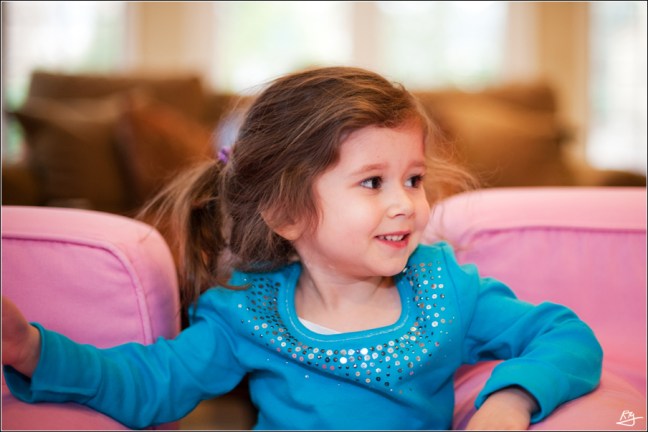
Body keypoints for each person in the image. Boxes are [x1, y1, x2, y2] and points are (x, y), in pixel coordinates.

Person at [2, 66, 602, 430]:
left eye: (414, 179)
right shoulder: (245, 312)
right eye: (373, 182)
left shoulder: (444, 288)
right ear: (286, 214)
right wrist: (32, 350)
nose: (406, 203)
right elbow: (151, 382)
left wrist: (511, 399)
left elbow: (565, 335)